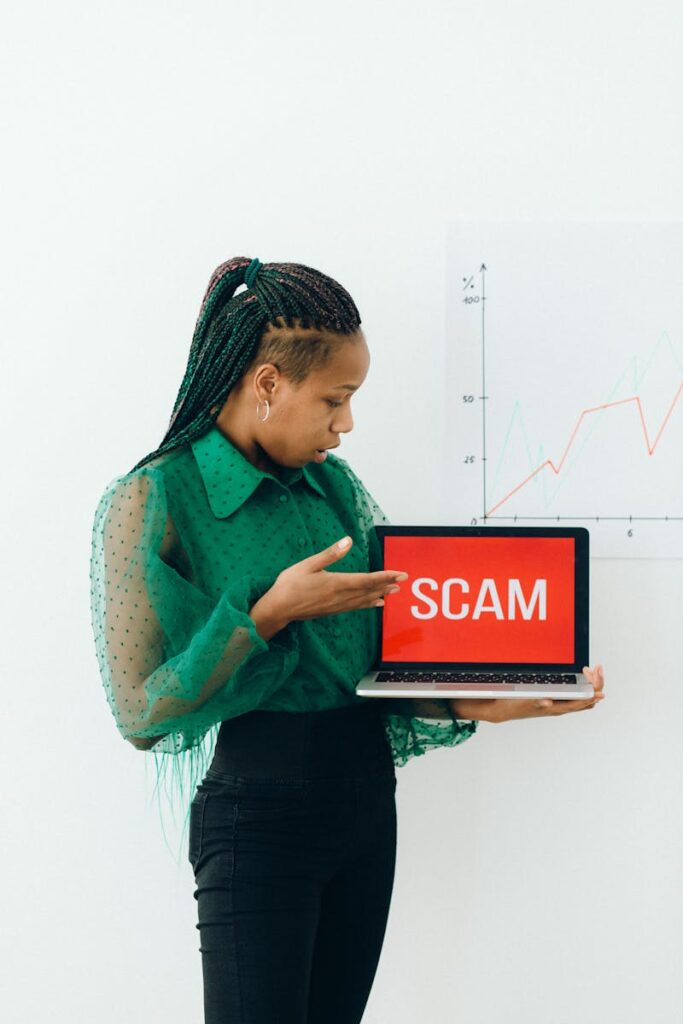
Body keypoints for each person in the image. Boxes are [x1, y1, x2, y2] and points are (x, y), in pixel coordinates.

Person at [89, 256, 606, 1024]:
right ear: (268, 384)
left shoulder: (333, 488)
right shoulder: (153, 498)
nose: (346, 423)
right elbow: (140, 713)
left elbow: (367, 665)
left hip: (366, 807)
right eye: (335, 399)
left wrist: (477, 705)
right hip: (259, 822)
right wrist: (267, 611)